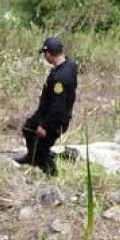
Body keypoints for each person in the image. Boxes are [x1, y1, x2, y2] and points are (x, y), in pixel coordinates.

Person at [16, 36, 78, 176]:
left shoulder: (60, 78)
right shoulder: (69, 65)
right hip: (46, 111)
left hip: (54, 119)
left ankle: (51, 173)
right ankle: (31, 157)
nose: (44, 57)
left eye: (45, 54)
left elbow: (58, 108)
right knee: (28, 127)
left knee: (43, 149)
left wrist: (44, 126)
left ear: (48, 53)